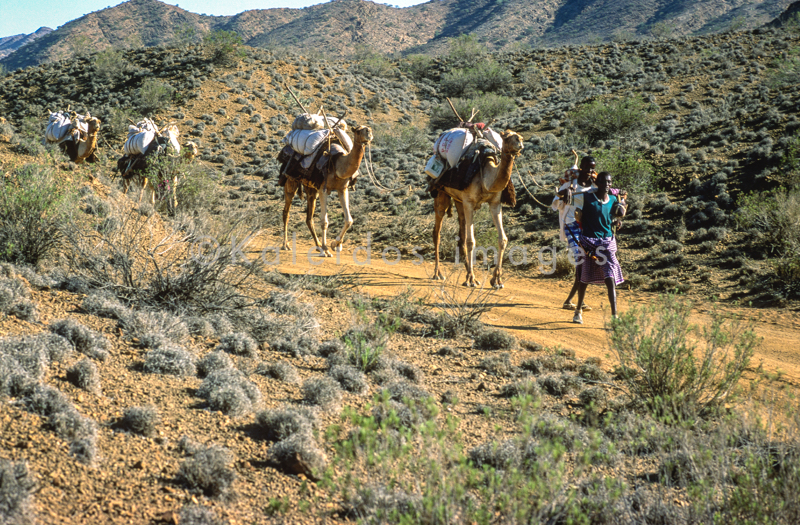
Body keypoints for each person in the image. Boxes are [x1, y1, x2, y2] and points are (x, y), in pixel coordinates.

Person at [572, 171, 627, 324]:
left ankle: (614, 316)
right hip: (588, 242)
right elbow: (574, 209)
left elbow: (613, 217)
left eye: (609, 182)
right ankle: (578, 310)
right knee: (584, 279)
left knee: (610, 278)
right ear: (598, 184)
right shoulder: (587, 198)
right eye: (603, 182)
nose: (607, 185)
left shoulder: (613, 200)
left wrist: (616, 222)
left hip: (607, 243)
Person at [553, 156, 597, 311]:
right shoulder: (571, 184)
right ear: (581, 168)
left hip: (587, 227)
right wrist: (565, 195)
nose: (590, 170)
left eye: (592, 167)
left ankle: (572, 300)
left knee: (584, 263)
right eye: (587, 167)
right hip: (571, 225)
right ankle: (575, 301)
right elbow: (556, 203)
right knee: (582, 260)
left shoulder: (594, 187)